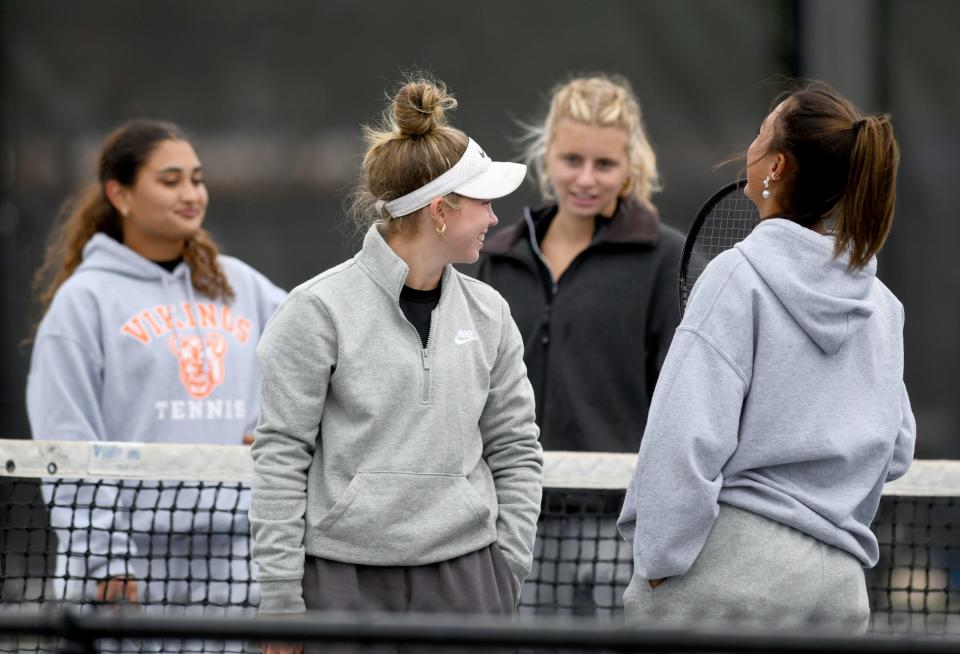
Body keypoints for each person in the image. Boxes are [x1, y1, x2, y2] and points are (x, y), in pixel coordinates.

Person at [249, 78, 543, 654]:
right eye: (482, 201)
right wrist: (281, 598)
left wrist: (506, 568)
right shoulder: (316, 310)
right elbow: (280, 457)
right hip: (339, 585)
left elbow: (516, 448)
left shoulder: (490, 312)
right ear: (440, 210)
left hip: (471, 582)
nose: (493, 216)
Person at [617, 82, 916, 631]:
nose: (748, 146)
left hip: (726, 585)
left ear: (775, 167)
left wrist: (658, 561)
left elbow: (683, 437)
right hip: (840, 593)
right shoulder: (884, 307)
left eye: (760, 133)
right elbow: (896, 451)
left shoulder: (735, 276)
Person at [26, 119, 285, 647]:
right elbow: (67, 445)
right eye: (170, 181)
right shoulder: (84, 303)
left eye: (197, 179)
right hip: (129, 579)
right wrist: (106, 561)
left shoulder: (243, 285)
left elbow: (327, 362)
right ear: (119, 193)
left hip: (238, 571)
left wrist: (291, 432)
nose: (191, 194)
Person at [476, 74, 683, 615]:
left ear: (631, 164)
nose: (586, 178)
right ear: (547, 156)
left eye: (605, 164)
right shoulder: (497, 257)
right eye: (572, 160)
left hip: (619, 526)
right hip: (509, 520)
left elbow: (681, 402)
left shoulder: (667, 260)